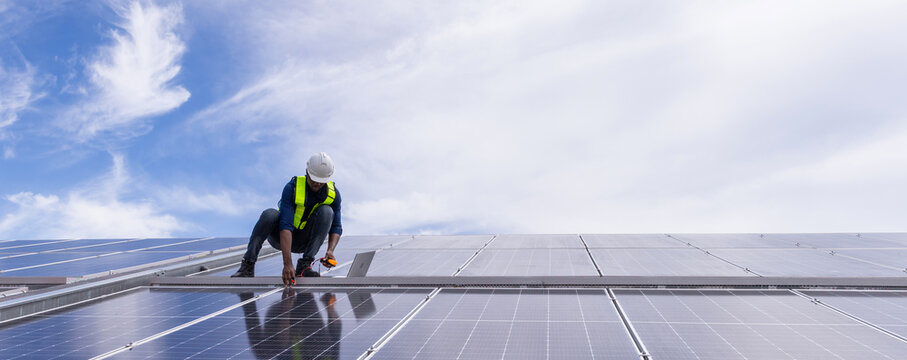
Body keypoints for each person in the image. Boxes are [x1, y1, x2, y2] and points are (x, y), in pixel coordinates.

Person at [231, 152, 342, 285]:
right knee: (270, 214)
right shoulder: (292, 187)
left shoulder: (334, 194)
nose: (317, 184)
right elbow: (285, 225)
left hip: (305, 241)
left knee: (327, 211)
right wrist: (287, 264)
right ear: (307, 172)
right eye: (314, 179)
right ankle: (247, 266)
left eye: (321, 181)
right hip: (280, 238)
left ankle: (305, 266)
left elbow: (336, 226)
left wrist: (330, 251)